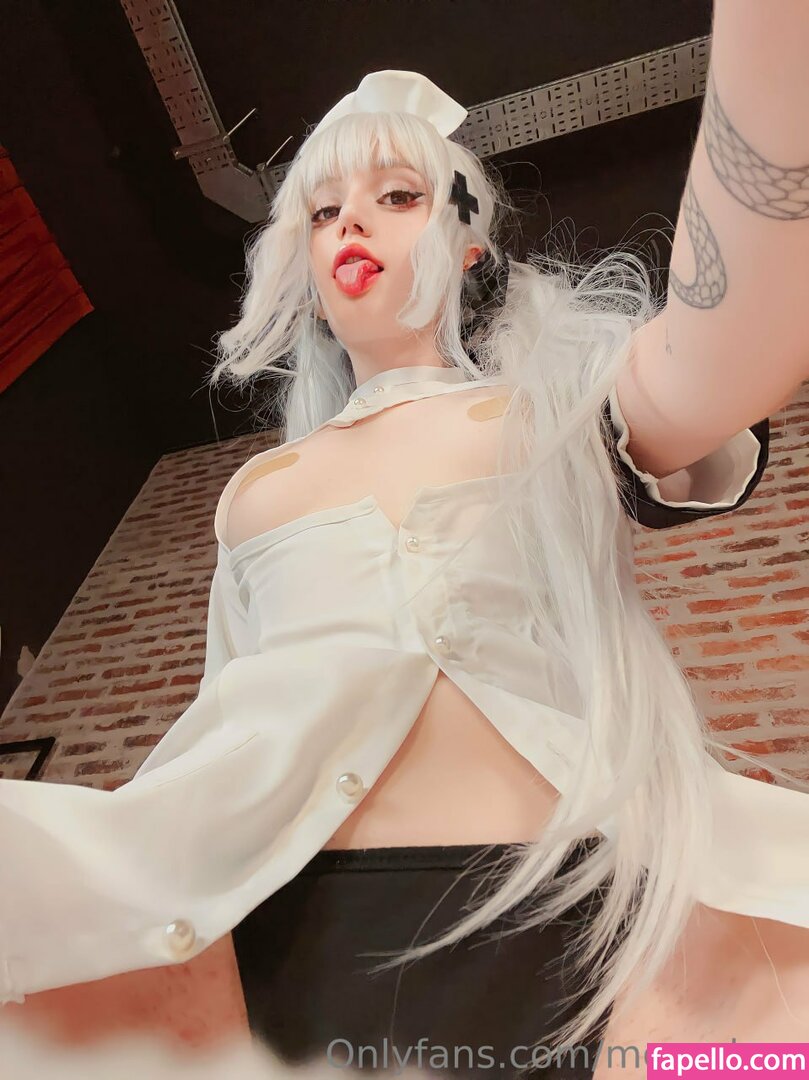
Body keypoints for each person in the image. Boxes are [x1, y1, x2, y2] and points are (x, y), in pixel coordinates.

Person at [1, 49, 809, 1079]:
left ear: (469, 246)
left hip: (581, 917)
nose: (351, 222)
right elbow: (223, 726)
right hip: (285, 940)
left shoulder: (557, 410)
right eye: (322, 210)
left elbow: (736, 331)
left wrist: (770, 46)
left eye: (396, 196)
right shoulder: (256, 491)